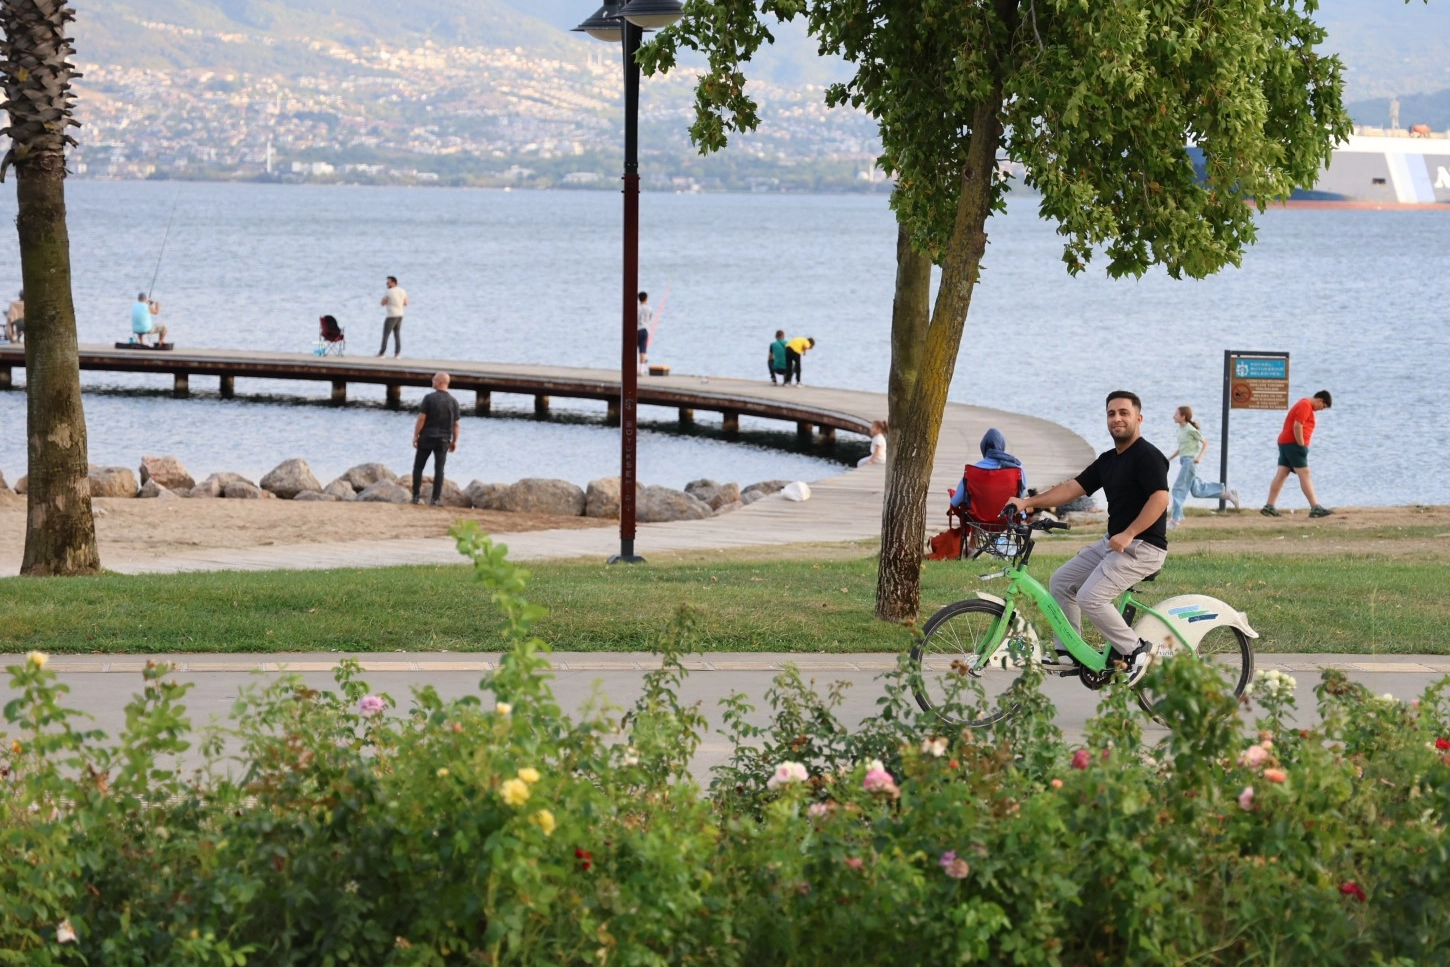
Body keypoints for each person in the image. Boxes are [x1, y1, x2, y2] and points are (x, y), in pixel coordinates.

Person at [1005, 391, 1170, 686]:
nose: (1117, 418)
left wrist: (1129, 533)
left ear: (1139, 418)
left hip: (1143, 547)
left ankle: (1136, 652)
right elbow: (1073, 488)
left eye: (1124, 412)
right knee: (1061, 581)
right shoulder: (1108, 461)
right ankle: (1070, 651)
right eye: (1111, 413)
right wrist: (1028, 503)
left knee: (1091, 597)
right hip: (1114, 543)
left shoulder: (1148, 456)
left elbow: (1160, 499)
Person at [1262, 390, 1333, 518]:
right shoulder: (1305, 405)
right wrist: (1301, 445)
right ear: (1320, 400)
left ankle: (1269, 506)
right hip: (1293, 444)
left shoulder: (1304, 404)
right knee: (1305, 474)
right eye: (1323, 407)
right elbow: (1297, 426)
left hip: (1285, 442)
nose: (1321, 410)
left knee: (1281, 474)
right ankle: (1315, 507)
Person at [1166, 405, 1239, 528]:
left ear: (1183, 417)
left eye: (1176, 414)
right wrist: (1168, 459)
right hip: (1184, 461)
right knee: (1197, 491)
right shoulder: (1180, 430)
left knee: (1178, 489)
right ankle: (1228, 495)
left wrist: (1199, 457)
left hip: (1190, 462)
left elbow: (1205, 443)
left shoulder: (1190, 429)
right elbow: (1181, 448)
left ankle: (1175, 520)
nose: (1174, 416)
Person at [949, 427, 1027, 515]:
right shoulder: (1017, 468)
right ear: (1002, 445)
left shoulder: (972, 470)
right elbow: (1021, 495)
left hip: (976, 518)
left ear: (983, 447)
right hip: (1008, 517)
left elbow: (955, 502)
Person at [412, 371, 461, 506]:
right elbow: (456, 424)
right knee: (439, 469)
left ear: (439, 382)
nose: (432, 381)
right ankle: (435, 499)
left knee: (418, 467)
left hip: (427, 437)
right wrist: (455, 441)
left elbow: (421, 419)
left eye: (434, 379)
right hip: (443, 440)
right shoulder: (453, 402)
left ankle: (415, 496)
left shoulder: (429, 398)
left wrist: (416, 435)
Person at [377, 275, 408, 357]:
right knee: (397, 334)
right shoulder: (402, 291)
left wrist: (389, 302)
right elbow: (406, 303)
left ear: (394, 282)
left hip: (391, 315)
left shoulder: (388, 292)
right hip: (400, 315)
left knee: (386, 334)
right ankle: (397, 353)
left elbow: (382, 303)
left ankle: (382, 353)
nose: (387, 284)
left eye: (388, 283)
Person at [637, 291, 653, 372]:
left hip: (636, 330)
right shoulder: (649, 308)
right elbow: (650, 318)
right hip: (644, 330)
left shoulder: (636, 308)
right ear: (646, 299)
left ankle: (634, 367)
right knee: (643, 350)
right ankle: (642, 369)